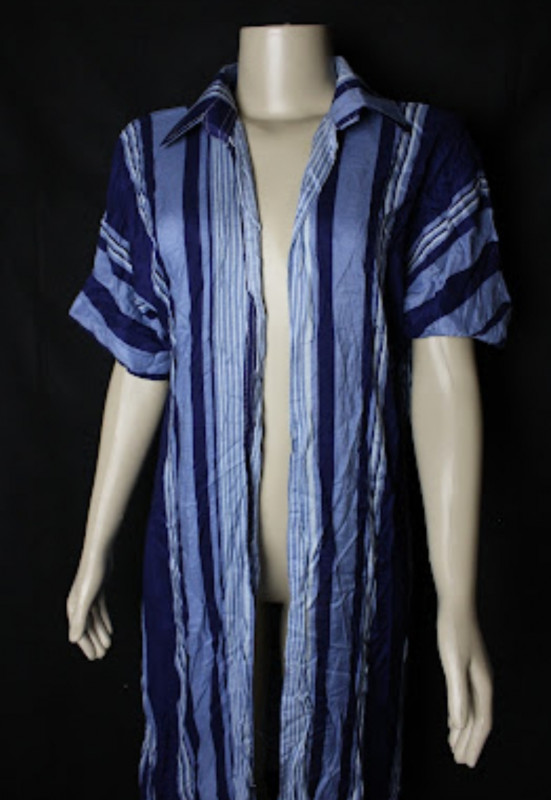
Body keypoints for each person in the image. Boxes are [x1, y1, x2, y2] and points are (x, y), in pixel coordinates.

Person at [66, 23, 511, 800]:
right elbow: (140, 359)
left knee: (343, 770)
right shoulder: (153, 154)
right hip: (195, 559)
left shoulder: (417, 148)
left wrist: (457, 603)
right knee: (198, 764)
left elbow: (445, 371)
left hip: (351, 561)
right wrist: (93, 544)